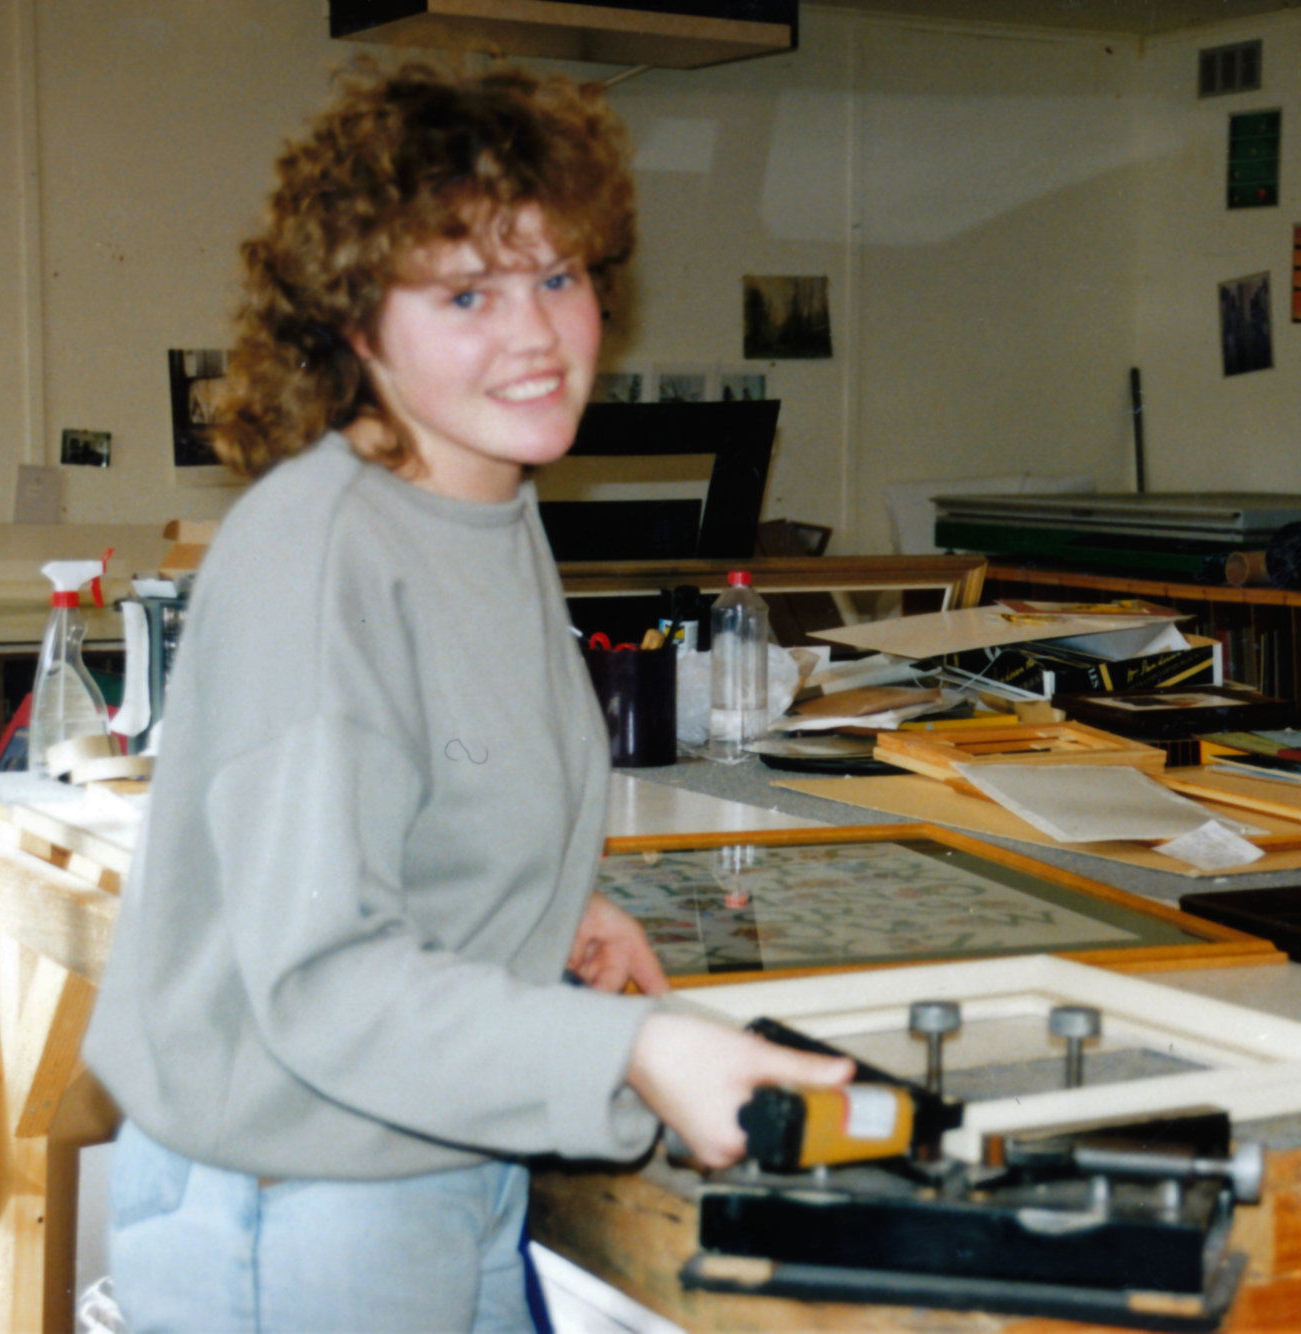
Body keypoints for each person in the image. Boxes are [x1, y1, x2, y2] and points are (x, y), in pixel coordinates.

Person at [82, 60, 850, 1333]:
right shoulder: (321, 551)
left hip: (429, 1160)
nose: (536, 333)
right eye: (466, 293)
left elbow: (428, 775)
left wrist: (541, 900)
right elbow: (323, 977)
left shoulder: (481, 502)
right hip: (299, 1203)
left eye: (559, 277)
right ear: (354, 323)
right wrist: (641, 1051)